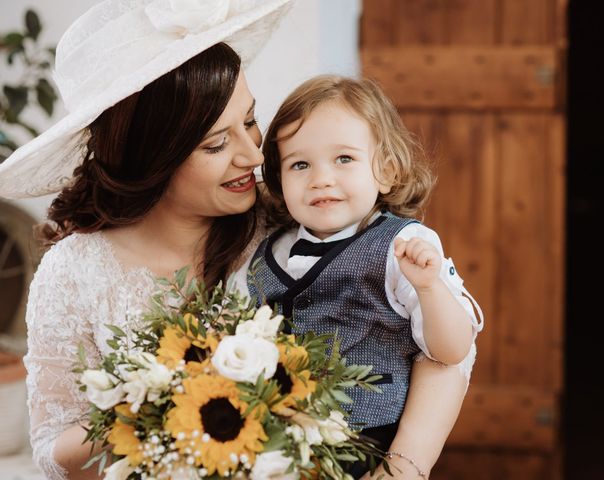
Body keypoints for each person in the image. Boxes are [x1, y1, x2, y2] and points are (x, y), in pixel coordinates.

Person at [0, 2, 476, 480]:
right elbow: (51, 447)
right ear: (153, 159)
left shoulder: (295, 221)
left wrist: (404, 468)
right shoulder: (74, 271)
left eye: (249, 120)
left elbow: (441, 346)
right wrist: (171, 411)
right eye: (215, 144)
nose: (254, 155)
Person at [235, 75, 483, 476]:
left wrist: (429, 287)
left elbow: (452, 351)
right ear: (280, 181)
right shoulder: (270, 251)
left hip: (369, 440)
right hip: (282, 440)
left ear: (385, 171)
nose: (321, 178)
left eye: (344, 159)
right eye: (300, 164)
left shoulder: (402, 246)